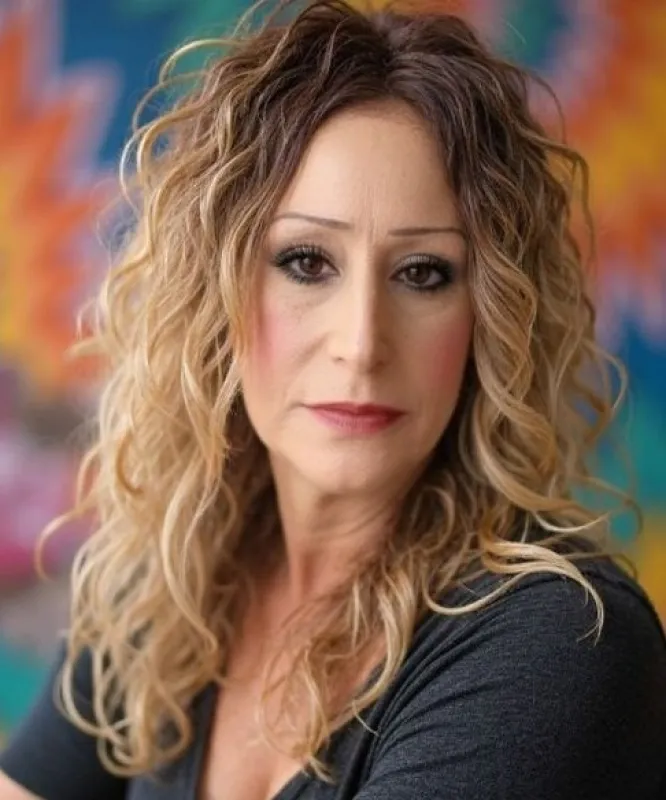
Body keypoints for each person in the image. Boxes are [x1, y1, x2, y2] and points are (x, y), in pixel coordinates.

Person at [1, 1, 665, 798]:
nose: (361, 341)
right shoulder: (169, 584)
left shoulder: (555, 638)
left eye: (423, 273)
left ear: (489, 317)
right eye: (307, 262)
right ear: (214, 293)